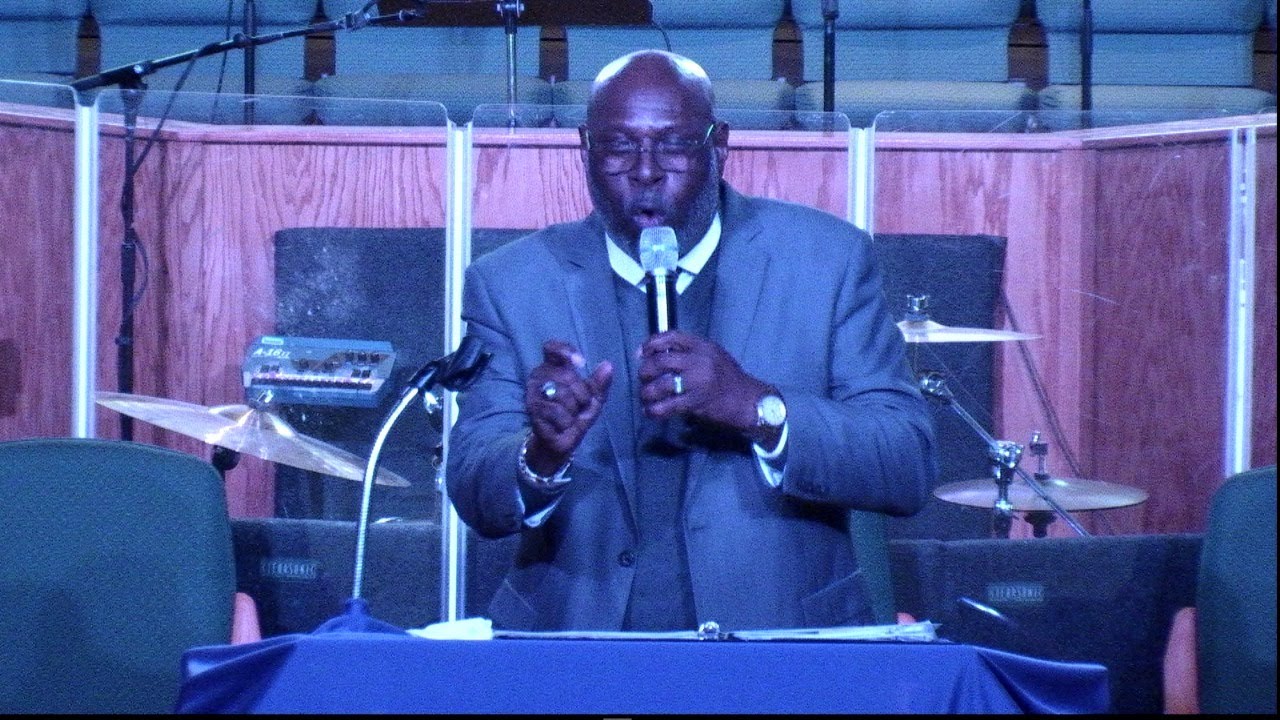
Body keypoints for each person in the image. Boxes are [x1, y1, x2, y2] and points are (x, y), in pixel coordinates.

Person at [445, 50, 936, 632]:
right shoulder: (512, 283)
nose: (646, 171)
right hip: (579, 647)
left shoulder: (827, 261)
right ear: (584, 148)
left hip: (778, 644)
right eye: (618, 146)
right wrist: (540, 456)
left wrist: (757, 407)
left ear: (719, 145)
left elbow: (906, 463)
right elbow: (473, 486)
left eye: (674, 144)